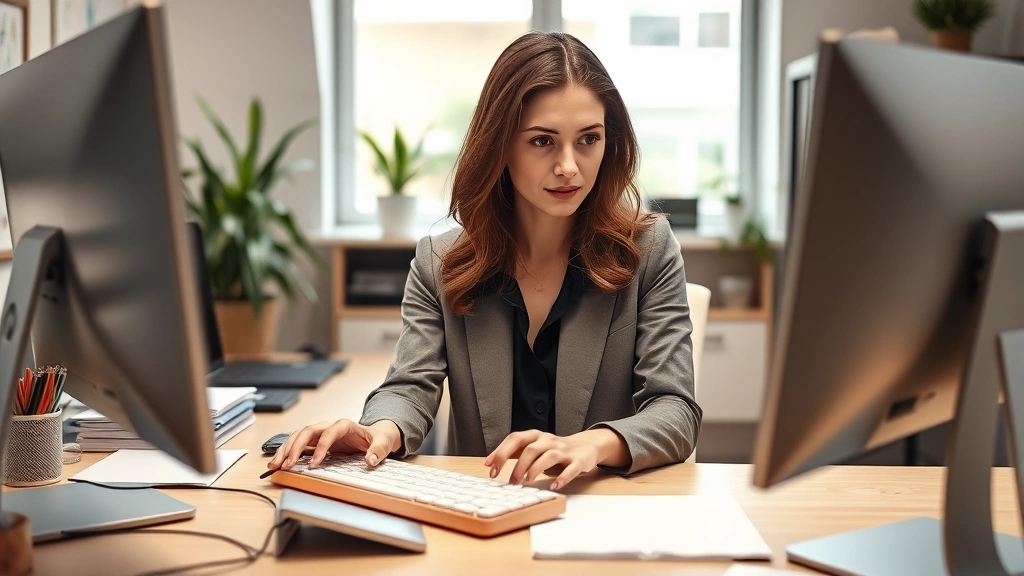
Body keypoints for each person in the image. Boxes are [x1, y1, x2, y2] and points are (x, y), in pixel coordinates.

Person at [269, 32, 701, 490]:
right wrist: (377, 433)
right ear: (501, 146)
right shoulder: (439, 262)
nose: (569, 166)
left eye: (588, 139)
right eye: (542, 141)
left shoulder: (649, 248)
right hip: (485, 514)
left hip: (602, 512)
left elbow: (675, 409)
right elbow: (410, 388)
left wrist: (589, 445)